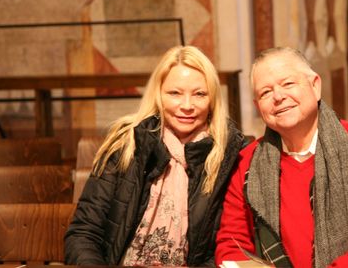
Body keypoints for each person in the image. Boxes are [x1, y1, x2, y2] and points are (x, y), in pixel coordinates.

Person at [215, 47, 348, 267]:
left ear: (315, 85)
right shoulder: (247, 162)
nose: (278, 97)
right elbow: (232, 244)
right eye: (265, 92)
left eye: (288, 84)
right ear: (258, 106)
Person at [65, 45, 245, 266]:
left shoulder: (227, 155)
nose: (187, 106)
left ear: (213, 99)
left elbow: (228, 246)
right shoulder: (126, 144)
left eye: (199, 94)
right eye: (175, 93)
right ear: (158, 94)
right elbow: (84, 234)